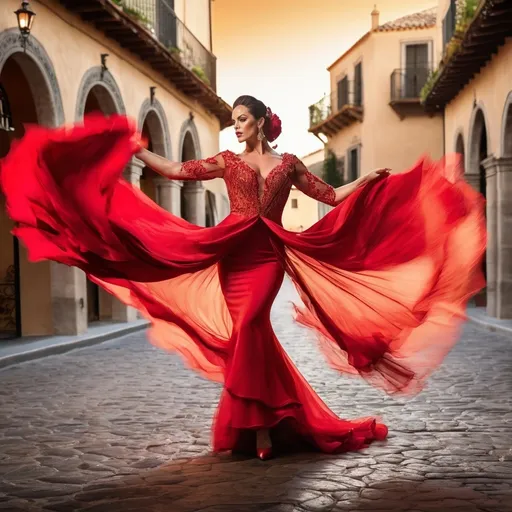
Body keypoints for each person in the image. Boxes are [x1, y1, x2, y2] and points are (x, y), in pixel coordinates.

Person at [0, 95, 486, 461]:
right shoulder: (226, 163)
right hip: (232, 251)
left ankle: (259, 430)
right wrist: (136, 152)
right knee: (247, 334)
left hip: (267, 254)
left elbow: (331, 196)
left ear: (260, 122)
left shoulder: (290, 164)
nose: (235, 128)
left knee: (253, 326)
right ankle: (265, 424)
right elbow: (174, 169)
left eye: (241, 120)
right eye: (232, 121)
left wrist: (367, 182)